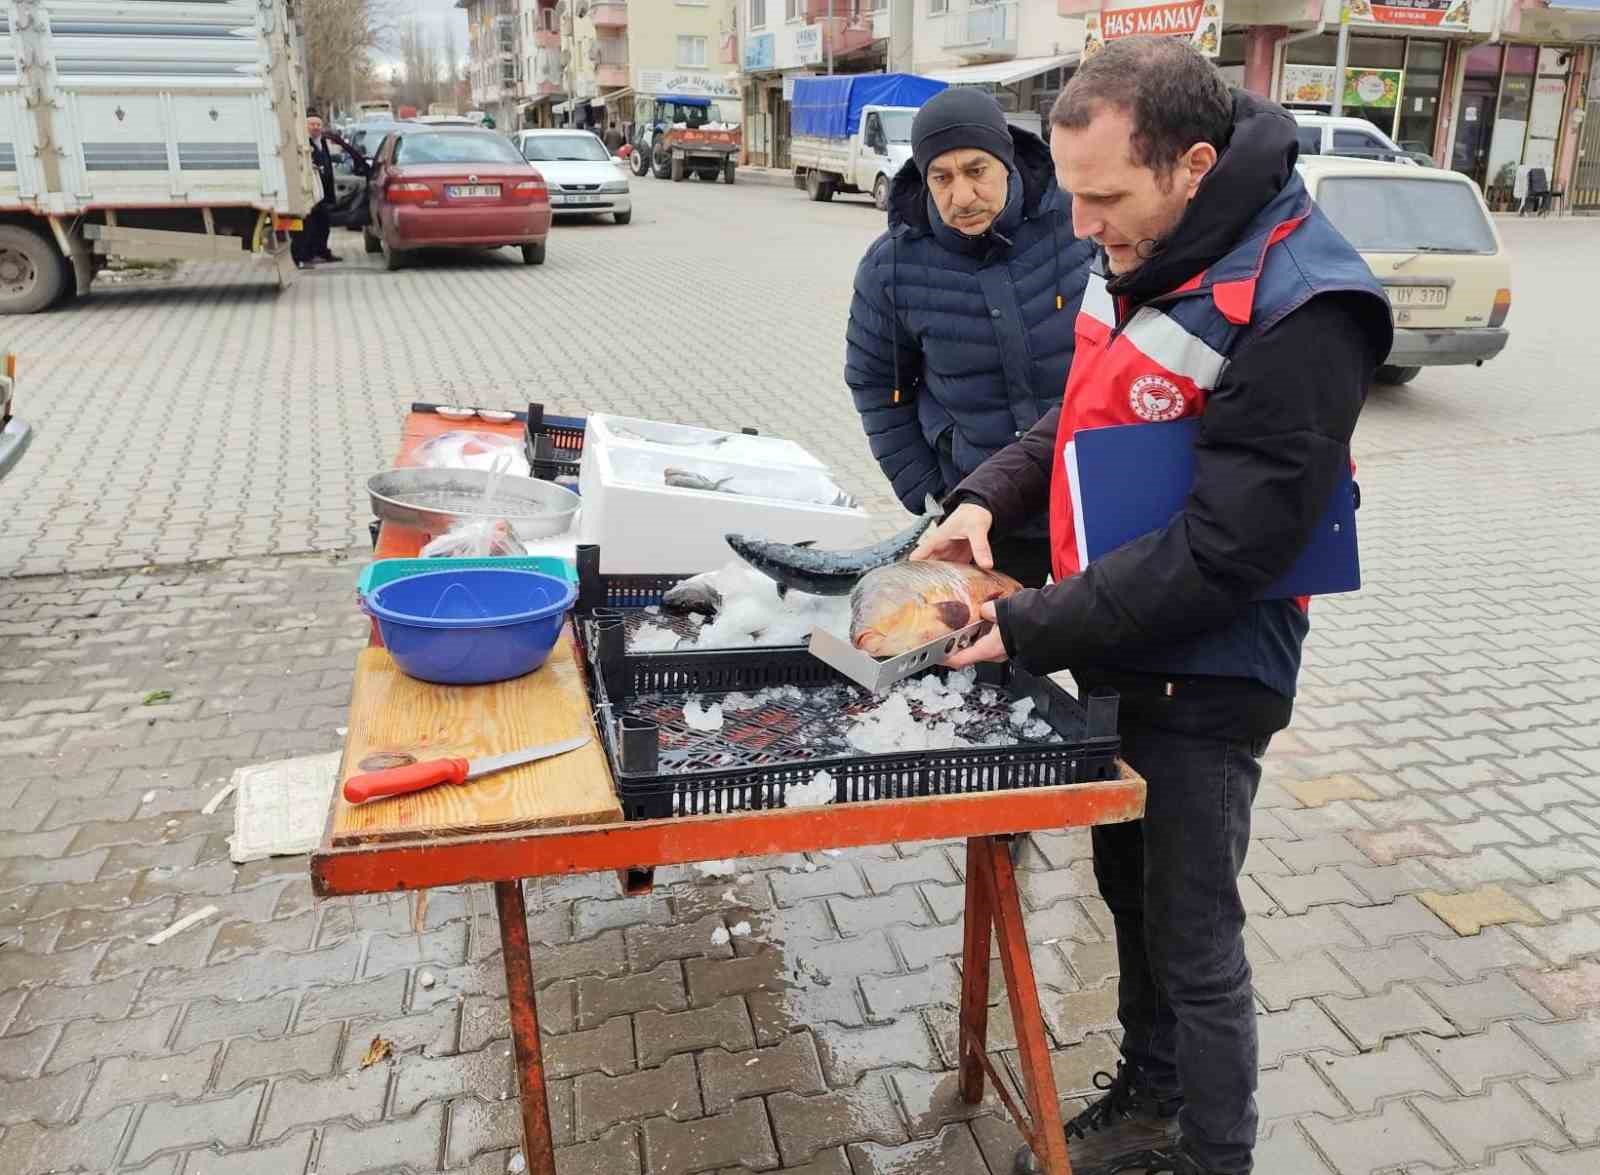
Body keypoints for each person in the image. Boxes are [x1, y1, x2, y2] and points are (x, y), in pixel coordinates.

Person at [914, 38, 1392, 1175]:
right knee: (1128, 889)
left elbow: (1228, 550)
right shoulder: (1140, 240)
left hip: (1213, 664)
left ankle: (1213, 1150)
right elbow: (1080, 419)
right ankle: (1150, 1097)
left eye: (1104, 197)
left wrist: (1027, 625)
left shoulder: (1304, 301)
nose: (1080, 225)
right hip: (1119, 631)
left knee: (1192, 931)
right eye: (1071, 196)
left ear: (1189, 163)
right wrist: (982, 498)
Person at [844, 88, 1094, 587]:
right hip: (980, 508)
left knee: (1106, 656)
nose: (961, 196)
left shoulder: (1080, 225)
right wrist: (933, 496)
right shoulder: (892, 265)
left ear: (1007, 162)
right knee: (978, 654)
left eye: (976, 171)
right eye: (942, 177)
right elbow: (878, 388)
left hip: (1089, 493)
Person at [292, 113, 340, 266]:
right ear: (305, 127)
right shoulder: (303, 144)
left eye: (318, 125)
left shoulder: (323, 142)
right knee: (310, 226)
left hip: (324, 192)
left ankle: (322, 250)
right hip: (310, 192)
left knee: (324, 224)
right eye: (312, 125)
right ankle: (307, 254)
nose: (315, 128)